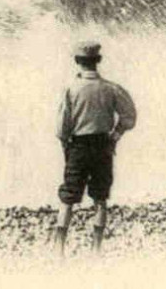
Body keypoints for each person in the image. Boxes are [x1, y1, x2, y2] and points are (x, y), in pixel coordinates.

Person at [50, 40, 137, 255]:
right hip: (103, 146)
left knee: (68, 197)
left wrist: (66, 145)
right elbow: (129, 116)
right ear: (97, 61)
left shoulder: (70, 89)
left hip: (78, 147)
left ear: (78, 62)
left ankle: (59, 249)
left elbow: (62, 127)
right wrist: (115, 136)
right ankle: (96, 250)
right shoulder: (111, 88)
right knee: (100, 197)